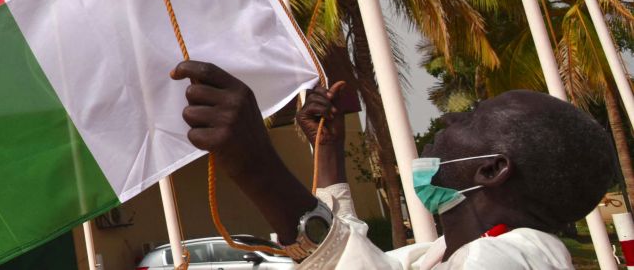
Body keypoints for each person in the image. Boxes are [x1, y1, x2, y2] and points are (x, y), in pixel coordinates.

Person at [171, 60, 617, 269]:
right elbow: (355, 258)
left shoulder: (521, 257)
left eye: (472, 117)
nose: (449, 119)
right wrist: (328, 151)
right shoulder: (429, 256)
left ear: (491, 170)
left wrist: (258, 167)